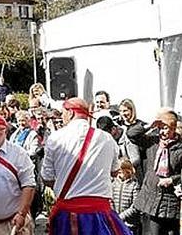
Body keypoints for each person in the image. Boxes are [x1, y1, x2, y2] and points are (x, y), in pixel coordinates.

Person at [42, 97, 132, 235]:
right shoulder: (107, 138)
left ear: (70, 113)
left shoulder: (55, 138)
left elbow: (47, 179)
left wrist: (68, 183)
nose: (62, 118)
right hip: (100, 215)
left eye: (63, 113)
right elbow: (114, 172)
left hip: (68, 214)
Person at [127, 109, 182, 235]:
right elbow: (132, 134)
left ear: (174, 128)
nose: (163, 132)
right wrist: (149, 125)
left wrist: (172, 179)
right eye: (160, 128)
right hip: (150, 196)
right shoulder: (152, 141)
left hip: (170, 199)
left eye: (166, 128)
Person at [112, 159, 141, 233]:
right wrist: (114, 215)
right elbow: (110, 200)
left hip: (129, 225)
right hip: (115, 222)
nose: (119, 172)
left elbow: (135, 206)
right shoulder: (113, 184)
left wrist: (122, 216)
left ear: (128, 171)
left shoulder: (134, 185)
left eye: (121, 170)